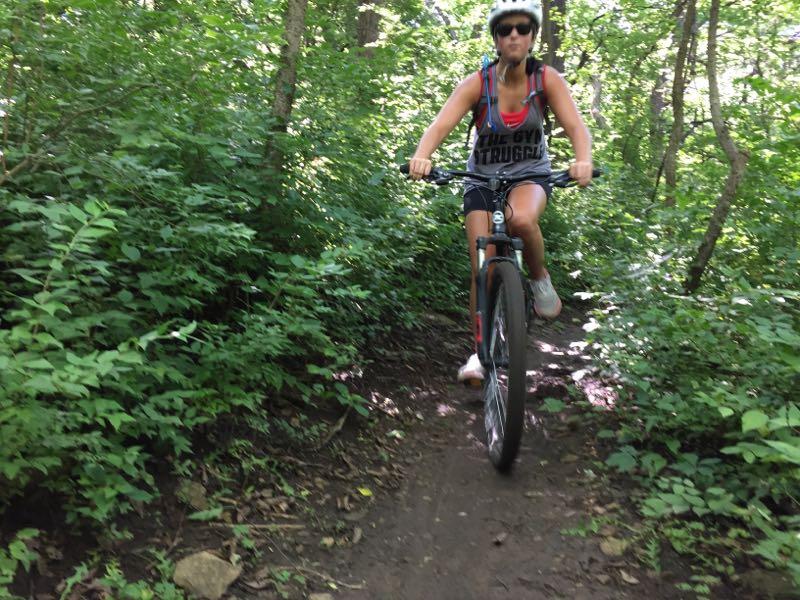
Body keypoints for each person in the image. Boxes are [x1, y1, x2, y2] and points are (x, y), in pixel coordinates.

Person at [407, 0, 593, 384]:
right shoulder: (479, 82)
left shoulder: (546, 81)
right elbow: (439, 125)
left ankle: (539, 279)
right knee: (482, 266)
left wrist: (583, 160)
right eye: (505, 29)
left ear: (532, 36)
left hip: (529, 177)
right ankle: (479, 352)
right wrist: (421, 157)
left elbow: (576, 127)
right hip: (481, 180)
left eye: (522, 28)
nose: (514, 35)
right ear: (495, 37)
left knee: (521, 219)